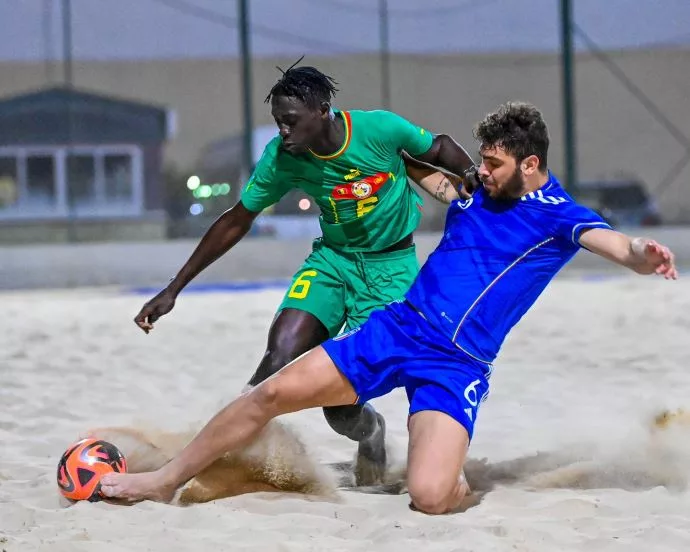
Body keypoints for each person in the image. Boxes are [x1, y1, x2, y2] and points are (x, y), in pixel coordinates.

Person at [101, 101, 677, 514]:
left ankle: (461, 482)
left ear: (529, 165)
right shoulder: (474, 191)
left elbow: (614, 244)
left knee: (429, 497)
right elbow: (404, 162)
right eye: (480, 160)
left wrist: (642, 254)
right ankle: (165, 480)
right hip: (400, 329)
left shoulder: (559, 214)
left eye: (494, 163)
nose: (480, 170)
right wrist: (347, 146)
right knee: (269, 390)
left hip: (457, 365)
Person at [132, 61, 478, 486]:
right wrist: (174, 288)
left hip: (391, 271)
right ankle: (224, 455)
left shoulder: (380, 130)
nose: (283, 131)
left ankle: (373, 434)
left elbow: (439, 147)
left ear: (322, 110)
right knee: (278, 356)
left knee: (340, 409)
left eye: (291, 121)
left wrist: (470, 174)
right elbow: (237, 219)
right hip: (332, 263)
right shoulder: (283, 157)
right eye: (278, 122)